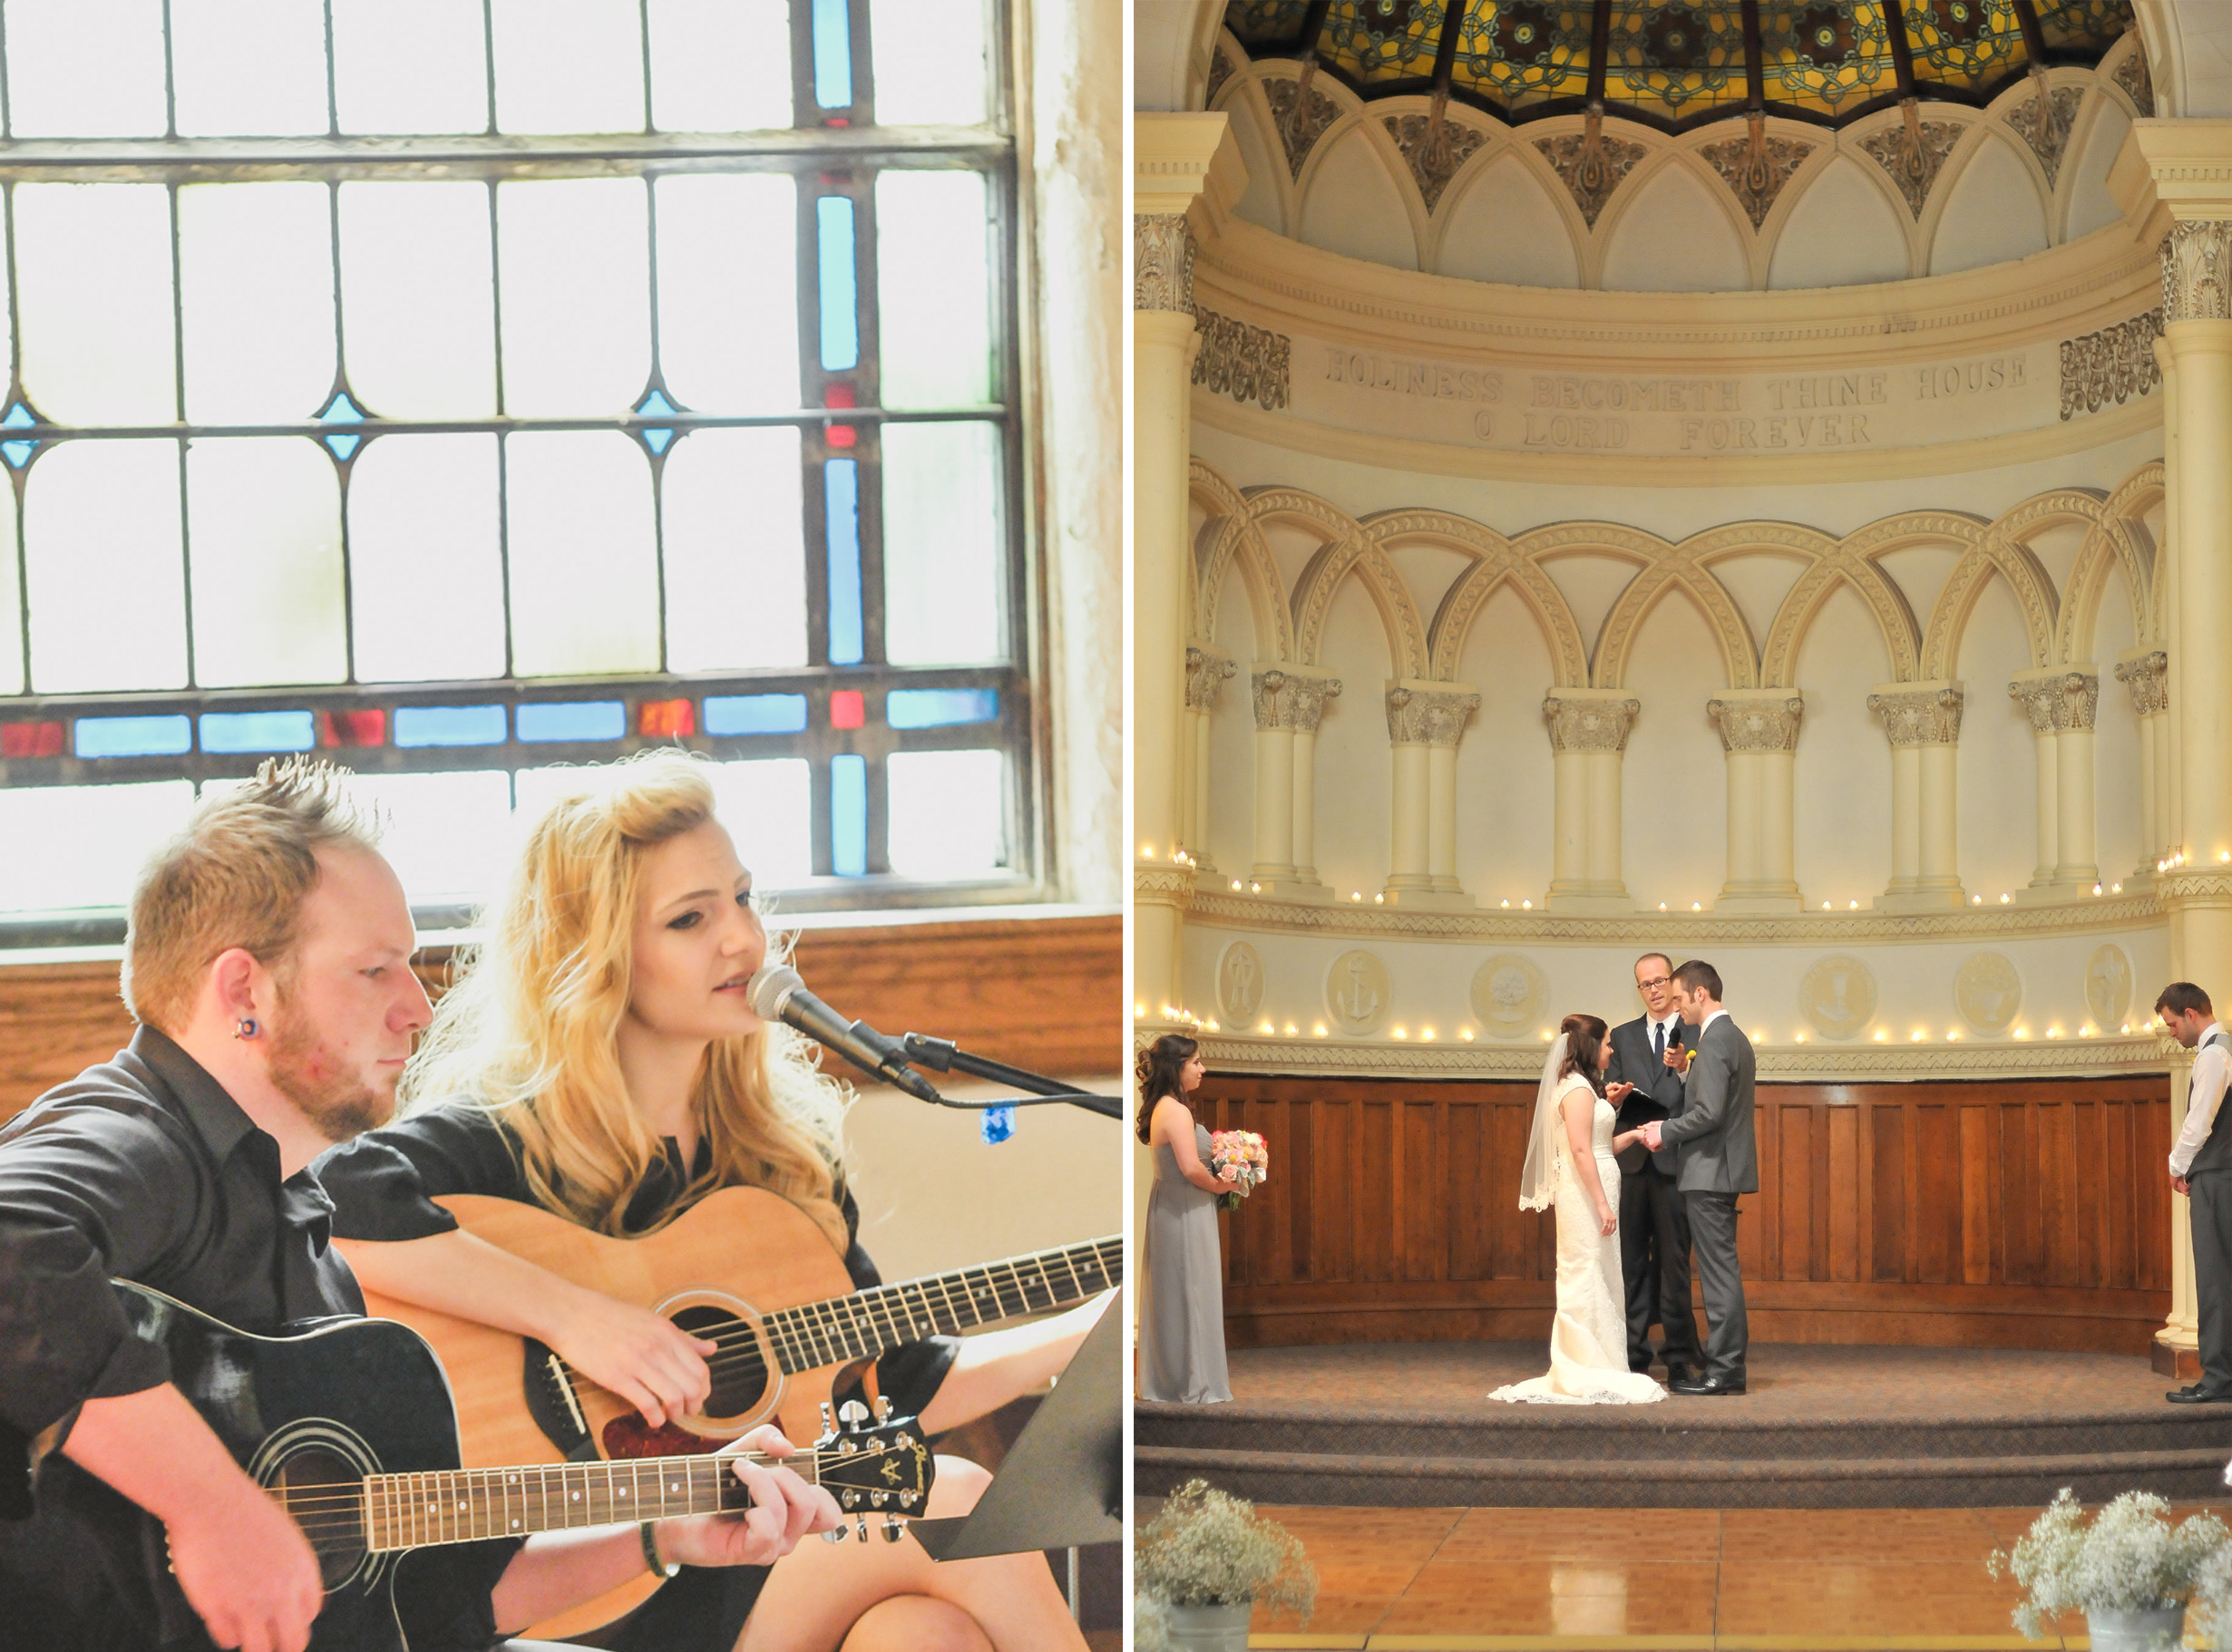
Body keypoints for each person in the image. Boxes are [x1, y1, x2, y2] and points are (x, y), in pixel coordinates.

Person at [0, 757, 837, 1652]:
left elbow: (432, 1606)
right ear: (244, 991)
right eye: (374, 970)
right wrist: (212, 1506)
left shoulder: (306, 1238)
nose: (417, 1005)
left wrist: (664, 1531)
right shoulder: (140, 1140)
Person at [312, 750, 1101, 1652]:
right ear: (598, 953)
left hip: (753, 1550)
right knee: (947, 1491)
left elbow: (895, 1378)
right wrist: (582, 1321)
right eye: (691, 918)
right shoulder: (501, 1144)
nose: (741, 939)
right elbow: (326, 1200)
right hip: (606, 1579)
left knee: (919, 1633)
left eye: (743, 897)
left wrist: (1091, 1330)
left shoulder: (776, 1157)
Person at [1491, 1014, 1663, 1404]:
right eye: (1606, 1043)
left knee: (1600, 1272)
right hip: (1587, 1195)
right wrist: (1602, 1202)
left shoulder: (1587, 1087)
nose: (1611, 1049)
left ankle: (1601, 1359)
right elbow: (1580, 1150)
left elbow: (1600, 1147)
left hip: (1595, 1184)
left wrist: (1630, 1129)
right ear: (1590, 1046)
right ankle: (1584, 1364)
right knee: (1586, 1272)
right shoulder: (1577, 1089)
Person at [1637, 959, 1757, 1397]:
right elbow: (1713, 1099)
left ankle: (1725, 1369)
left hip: (1710, 1171)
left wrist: (1663, 1131)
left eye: (1681, 998)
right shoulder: (1730, 1037)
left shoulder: (1715, 1040)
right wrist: (1687, 1072)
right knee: (1719, 1271)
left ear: (1700, 994)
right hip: (1717, 1169)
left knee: (1718, 1274)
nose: (1677, 1007)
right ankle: (1727, 1366)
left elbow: (1708, 1113)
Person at [1603, 952, 1701, 1384]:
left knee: (1674, 1262)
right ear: (1638, 989)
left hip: (1675, 1162)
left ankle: (1680, 1354)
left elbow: (1704, 1098)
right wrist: (1615, 1096)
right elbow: (1614, 1096)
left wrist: (1683, 1074)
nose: (1655, 989)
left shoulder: (1696, 1031)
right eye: (1646, 984)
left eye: (1662, 980)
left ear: (1673, 981)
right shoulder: (1621, 1037)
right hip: (1631, 1162)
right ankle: (1633, 1352)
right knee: (1631, 1263)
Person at [1135, 1034, 1232, 1404]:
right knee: (1190, 1288)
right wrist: (1222, 1186)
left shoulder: (1166, 1106)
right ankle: (1192, 1382)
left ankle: (1177, 1376)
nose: (1202, 1069)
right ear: (1177, 1067)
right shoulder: (1175, 1111)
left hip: (1175, 1205)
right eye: (1196, 1063)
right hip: (1184, 1207)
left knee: (1182, 1290)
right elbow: (1191, 1168)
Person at [2159, 982, 2232, 1404]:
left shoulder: (2213, 1053)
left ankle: (2218, 1377)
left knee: (2215, 1279)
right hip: (2224, 1172)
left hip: (2216, 1176)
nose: (2171, 1033)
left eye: (2171, 1023)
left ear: (2190, 1013)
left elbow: (2200, 1120)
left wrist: (2176, 1165)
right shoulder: (2227, 1046)